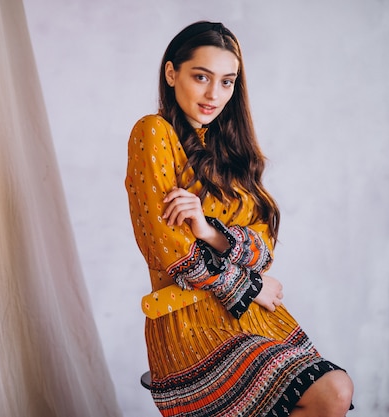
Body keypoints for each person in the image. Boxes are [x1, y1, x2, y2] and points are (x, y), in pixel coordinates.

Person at [125, 21, 354, 416]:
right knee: (332, 391)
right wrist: (254, 288)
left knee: (334, 392)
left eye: (227, 82)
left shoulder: (230, 151)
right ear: (171, 72)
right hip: (190, 326)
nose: (214, 94)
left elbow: (262, 250)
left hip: (251, 320)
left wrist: (209, 231)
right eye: (201, 77)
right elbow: (173, 254)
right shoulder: (153, 132)